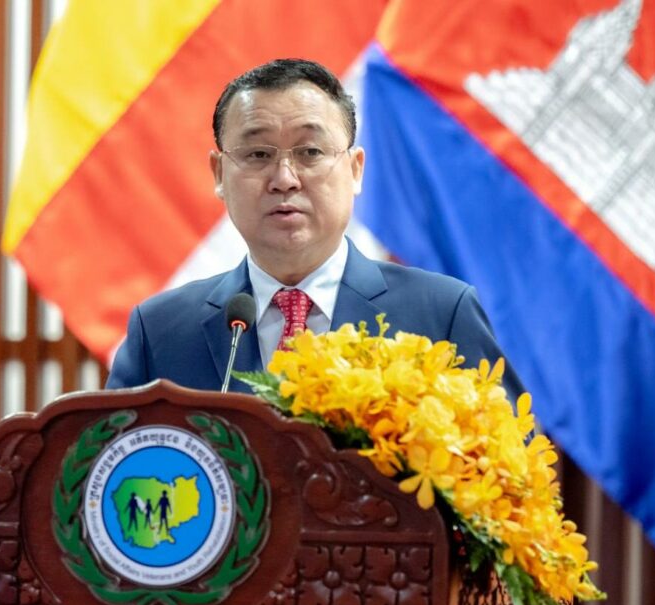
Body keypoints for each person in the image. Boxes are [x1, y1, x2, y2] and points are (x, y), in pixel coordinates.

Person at [106, 58, 521, 398]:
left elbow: (507, 468)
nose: (284, 179)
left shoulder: (440, 314)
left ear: (355, 169)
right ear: (219, 174)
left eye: (310, 152)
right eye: (257, 154)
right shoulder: (160, 332)